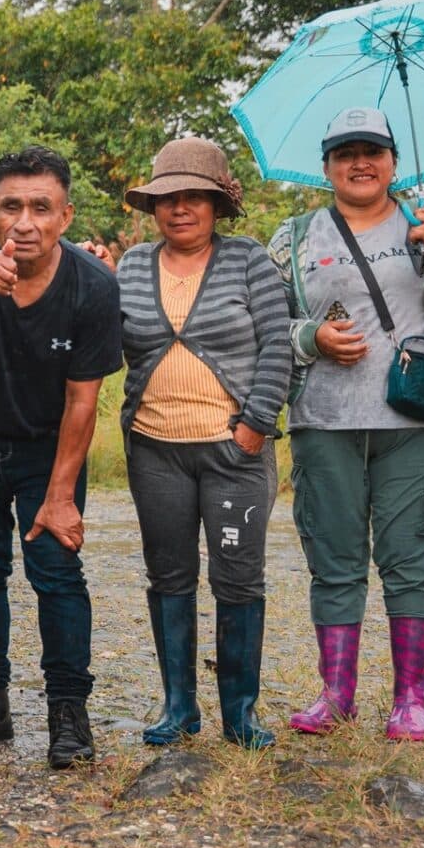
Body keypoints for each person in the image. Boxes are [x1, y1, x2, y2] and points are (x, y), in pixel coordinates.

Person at [268, 107, 424, 741]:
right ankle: (336, 694)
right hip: (324, 422)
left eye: (372, 150)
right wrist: (311, 337)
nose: (360, 163)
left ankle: (412, 699)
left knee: (411, 561)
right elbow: (264, 324)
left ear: (394, 160)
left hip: (415, 421)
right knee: (333, 561)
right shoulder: (293, 237)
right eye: (345, 153)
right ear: (326, 167)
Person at [0, 146, 119, 768]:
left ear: (65, 216)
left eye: (41, 207)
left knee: (56, 572)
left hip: (46, 445)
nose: (25, 222)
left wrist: (61, 496)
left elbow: (83, 402)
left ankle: (69, 713)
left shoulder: (93, 285)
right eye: (11, 207)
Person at [115, 138, 290, 749]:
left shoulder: (248, 260)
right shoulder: (132, 265)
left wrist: (255, 424)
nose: (180, 208)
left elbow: (278, 345)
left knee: (238, 579)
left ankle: (240, 714)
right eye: (167, 198)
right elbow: (108, 340)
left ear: (218, 204)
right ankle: (179, 707)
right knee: (169, 576)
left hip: (233, 452)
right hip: (155, 448)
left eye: (194, 196)